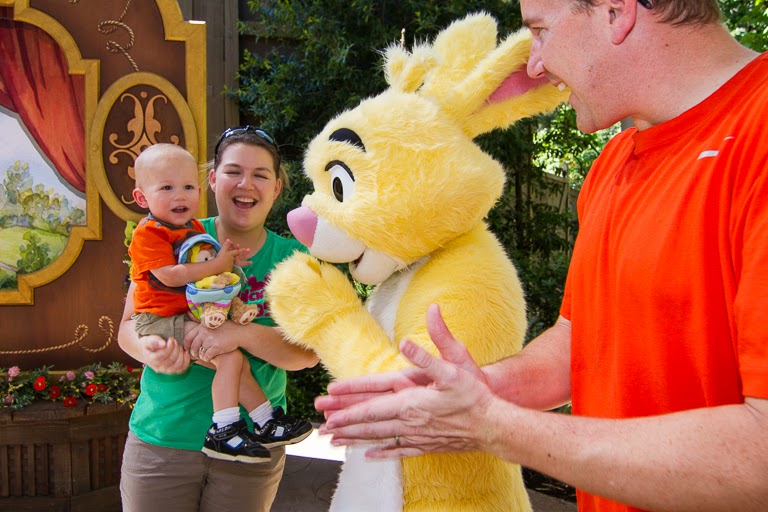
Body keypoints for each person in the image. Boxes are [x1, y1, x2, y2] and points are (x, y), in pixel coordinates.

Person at [315, 1, 768, 511]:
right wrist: (480, 388)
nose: (532, 65)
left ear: (617, 13)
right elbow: (581, 341)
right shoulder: (616, 163)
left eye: (540, 30)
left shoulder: (758, 136)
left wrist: (496, 427)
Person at [118, 128, 319, 511]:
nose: (246, 184)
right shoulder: (173, 237)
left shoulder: (296, 260)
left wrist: (236, 334)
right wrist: (152, 351)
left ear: (276, 188)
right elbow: (129, 327)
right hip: (162, 440)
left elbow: (306, 355)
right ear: (212, 180)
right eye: (233, 171)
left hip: (250, 454)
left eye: (261, 174)